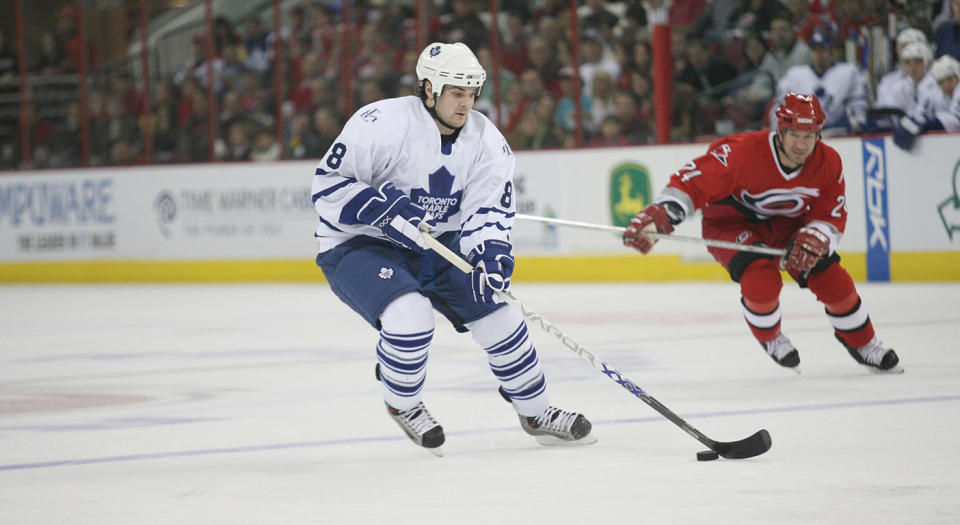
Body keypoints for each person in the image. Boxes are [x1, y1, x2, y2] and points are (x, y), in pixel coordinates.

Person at [310, 42, 596, 455]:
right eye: (456, 93)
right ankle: (403, 402)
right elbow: (328, 187)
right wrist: (384, 212)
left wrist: (490, 252)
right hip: (359, 244)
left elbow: (487, 210)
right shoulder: (380, 122)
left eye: (472, 93)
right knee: (410, 319)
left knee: (502, 316)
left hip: (437, 245)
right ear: (429, 88)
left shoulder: (486, 141)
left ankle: (536, 412)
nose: (466, 103)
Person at [622, 93, 902, 373]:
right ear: (780, 130)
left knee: (834, 281)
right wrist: (660, 216)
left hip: (788, 225)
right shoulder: (742, 151)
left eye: (809, 136)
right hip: (731, 224)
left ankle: (863, 343)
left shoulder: (828, 162)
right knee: (761, 279)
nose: (802, 145)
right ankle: (771, 338)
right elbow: (694, 183)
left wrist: (817, 236)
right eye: (794, 134)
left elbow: (830, 214)